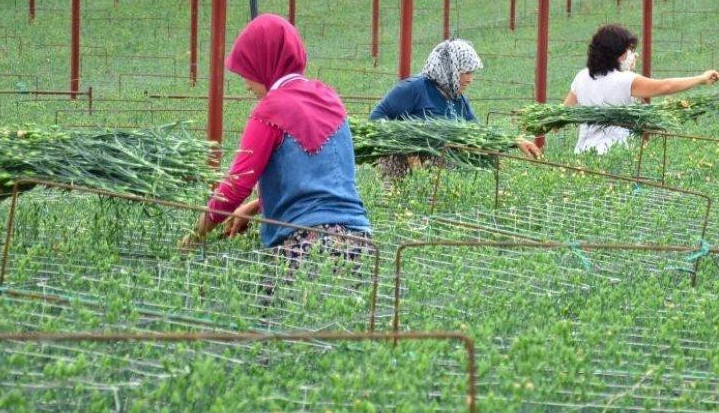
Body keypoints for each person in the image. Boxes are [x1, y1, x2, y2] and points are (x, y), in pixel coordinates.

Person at [179, 14, 372, 259]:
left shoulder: (270, 111)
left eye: (247, 71)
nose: (246, 84)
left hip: (306, 243)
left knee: (269, 297)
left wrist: (193, 236)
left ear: (265, 62)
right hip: (360, 241)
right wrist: (256, 206)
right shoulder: (329, 98)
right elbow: (317, 178)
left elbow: (236, 186)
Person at [369, 39, 540, 173]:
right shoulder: (415, 88)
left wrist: (514, 140)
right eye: (465, 72)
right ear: (448, 68)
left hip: (438, 180)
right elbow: (377, 118)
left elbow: (477, 132)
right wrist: (408, 143)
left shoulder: (457, 98)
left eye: (471, 73)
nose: (469, 79)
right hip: (404, 173)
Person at [562, 24, 719, 154]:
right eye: (628, 50)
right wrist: (701, 78)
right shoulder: (626, 80)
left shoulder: (582, 76)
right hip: (614, 154)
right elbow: (666, 86)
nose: (632, 54)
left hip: (583, 153)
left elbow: (563, 114)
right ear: (616, 53)